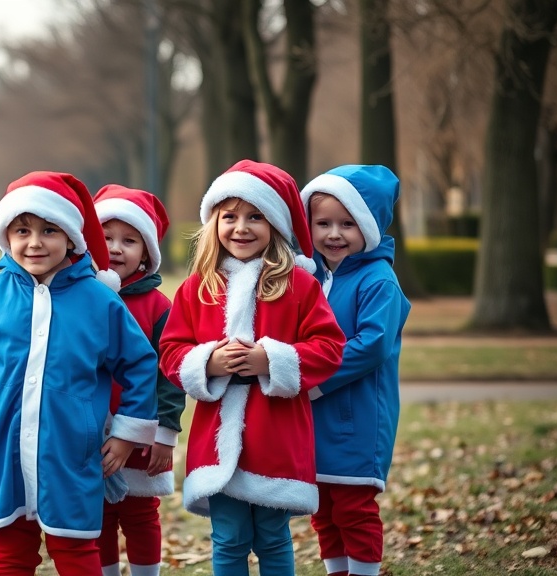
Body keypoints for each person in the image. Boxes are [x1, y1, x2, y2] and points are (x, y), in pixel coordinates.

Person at [0, 171, 159, 575]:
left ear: (71, 237)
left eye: (49, 230)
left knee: (75, 548)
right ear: (6, 236)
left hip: (70, 449)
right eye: (22, 230)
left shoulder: (98, 301)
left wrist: (128, 432)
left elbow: (140, 363)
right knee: (10, 550)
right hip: (2, 445)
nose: (34, 242)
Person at [158, 159, 345, 576]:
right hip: (215, 438)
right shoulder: (197, 287)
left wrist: (271, 359)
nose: (241, 227)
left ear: (276, 224)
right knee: (228, 537)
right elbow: (171, 351)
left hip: (276, 432)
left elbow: (330, 347)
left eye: (255, 216)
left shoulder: (299, 286)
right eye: (230, 217)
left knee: (273, 536)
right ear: (213, 223)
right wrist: (207, 361)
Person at [300, 165, 411, 576]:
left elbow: (372, 345)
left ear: (369, 226)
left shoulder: (379, 280)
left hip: (358, 416)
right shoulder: (312, 278)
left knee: (354, 507)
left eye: (348, 224)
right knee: (324, 507)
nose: (334, 234)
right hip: (316, 417)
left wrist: (310, 380)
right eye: (323, 222)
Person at [92, 185, 184, 576]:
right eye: (106, 237)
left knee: (140, 511)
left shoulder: (158, 307)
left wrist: (166, 431)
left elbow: (171, 372)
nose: (115, 248)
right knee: (98, 512)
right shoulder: (79, 296)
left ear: (146, 252)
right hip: (89, 426)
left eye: (129, 241)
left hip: (143, 428)